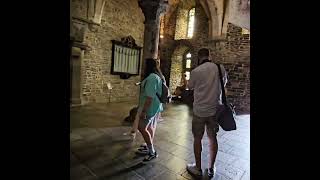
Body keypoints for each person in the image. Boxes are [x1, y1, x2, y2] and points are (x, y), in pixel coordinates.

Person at [186, 48, 228, 177]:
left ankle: (197, 168)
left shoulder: (195, 71)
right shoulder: (219, 68)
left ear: (199, 57)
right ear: (210, 55)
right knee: (212, 138)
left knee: (197, 138)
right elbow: (224, 83)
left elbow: (190, 87)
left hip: (199, 110)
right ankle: (211, 168)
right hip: (214, 110)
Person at [134, 58, 164, 162]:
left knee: (141, 127)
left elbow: (150, 97)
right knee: (150, 126)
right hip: (155, 106)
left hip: (150, 107)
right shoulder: (156, 76)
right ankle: (148, 146)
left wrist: (144, 111)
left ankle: (152, 151)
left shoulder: (152, 77)